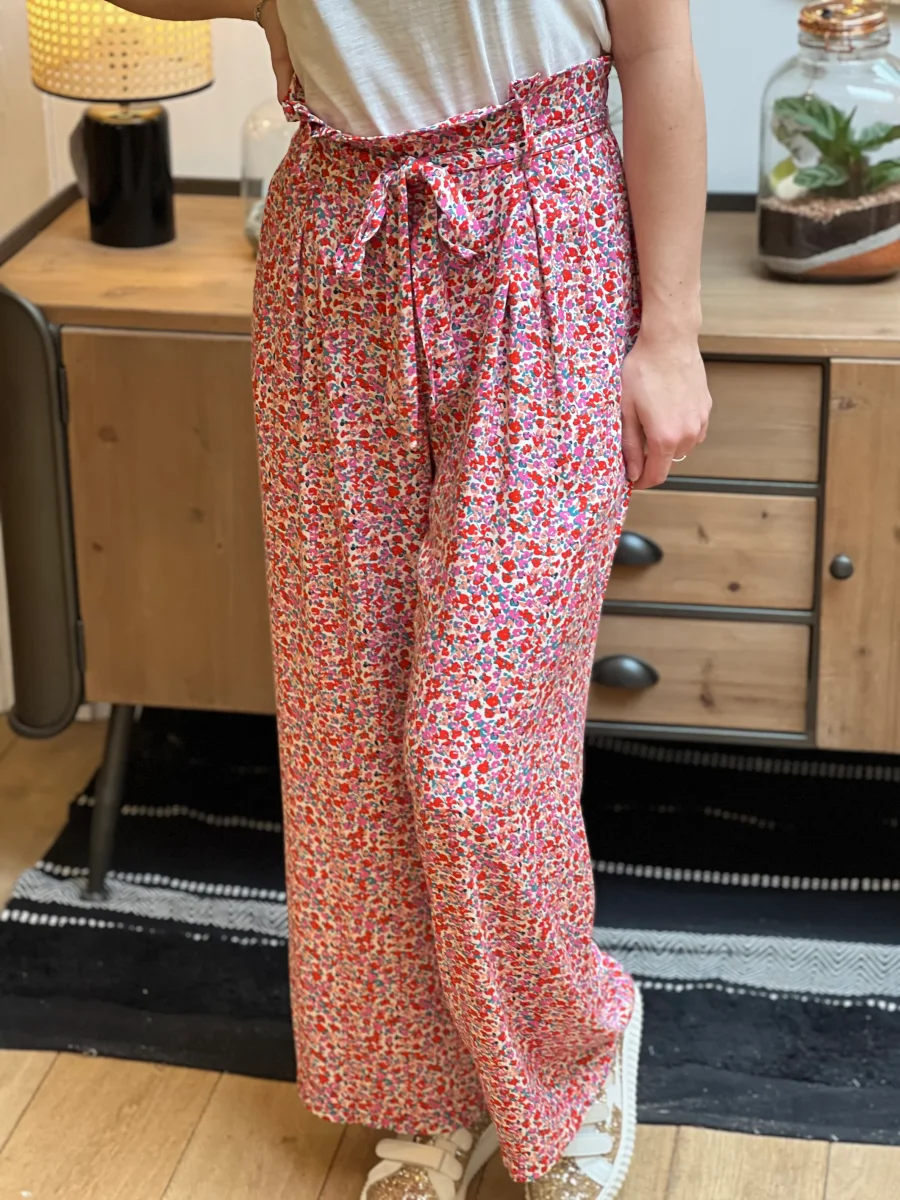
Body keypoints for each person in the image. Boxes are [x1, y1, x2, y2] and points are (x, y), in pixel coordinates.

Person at [110, 1, 710, 1196]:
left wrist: (674, 332)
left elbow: (655, 52)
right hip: (339, 240)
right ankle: (425, 1093)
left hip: (544, 230)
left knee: (470, 755)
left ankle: (576, 1048)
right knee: (353, 741)